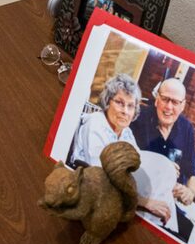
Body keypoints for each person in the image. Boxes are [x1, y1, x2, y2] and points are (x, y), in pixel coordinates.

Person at [69, 74, 173, 224]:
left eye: (131, 106)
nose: (125, 111)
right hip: (93, 196)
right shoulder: (96, 124)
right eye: (119, 102)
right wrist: (144, 202)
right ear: (107, 102)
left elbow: (139, 164)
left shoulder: (126, 132)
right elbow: (100, 176)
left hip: (120, 193)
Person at [130, 77, 195, 240]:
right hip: (144, 200)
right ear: (156, 99)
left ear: (182, 106)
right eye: (165, 99)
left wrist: (190, 192)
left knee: (191, 233)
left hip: (173, 202)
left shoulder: (186, 128)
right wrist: (160, 166)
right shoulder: (138, 119)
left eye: (175, 102)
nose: (169, 107)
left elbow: (194, 175)